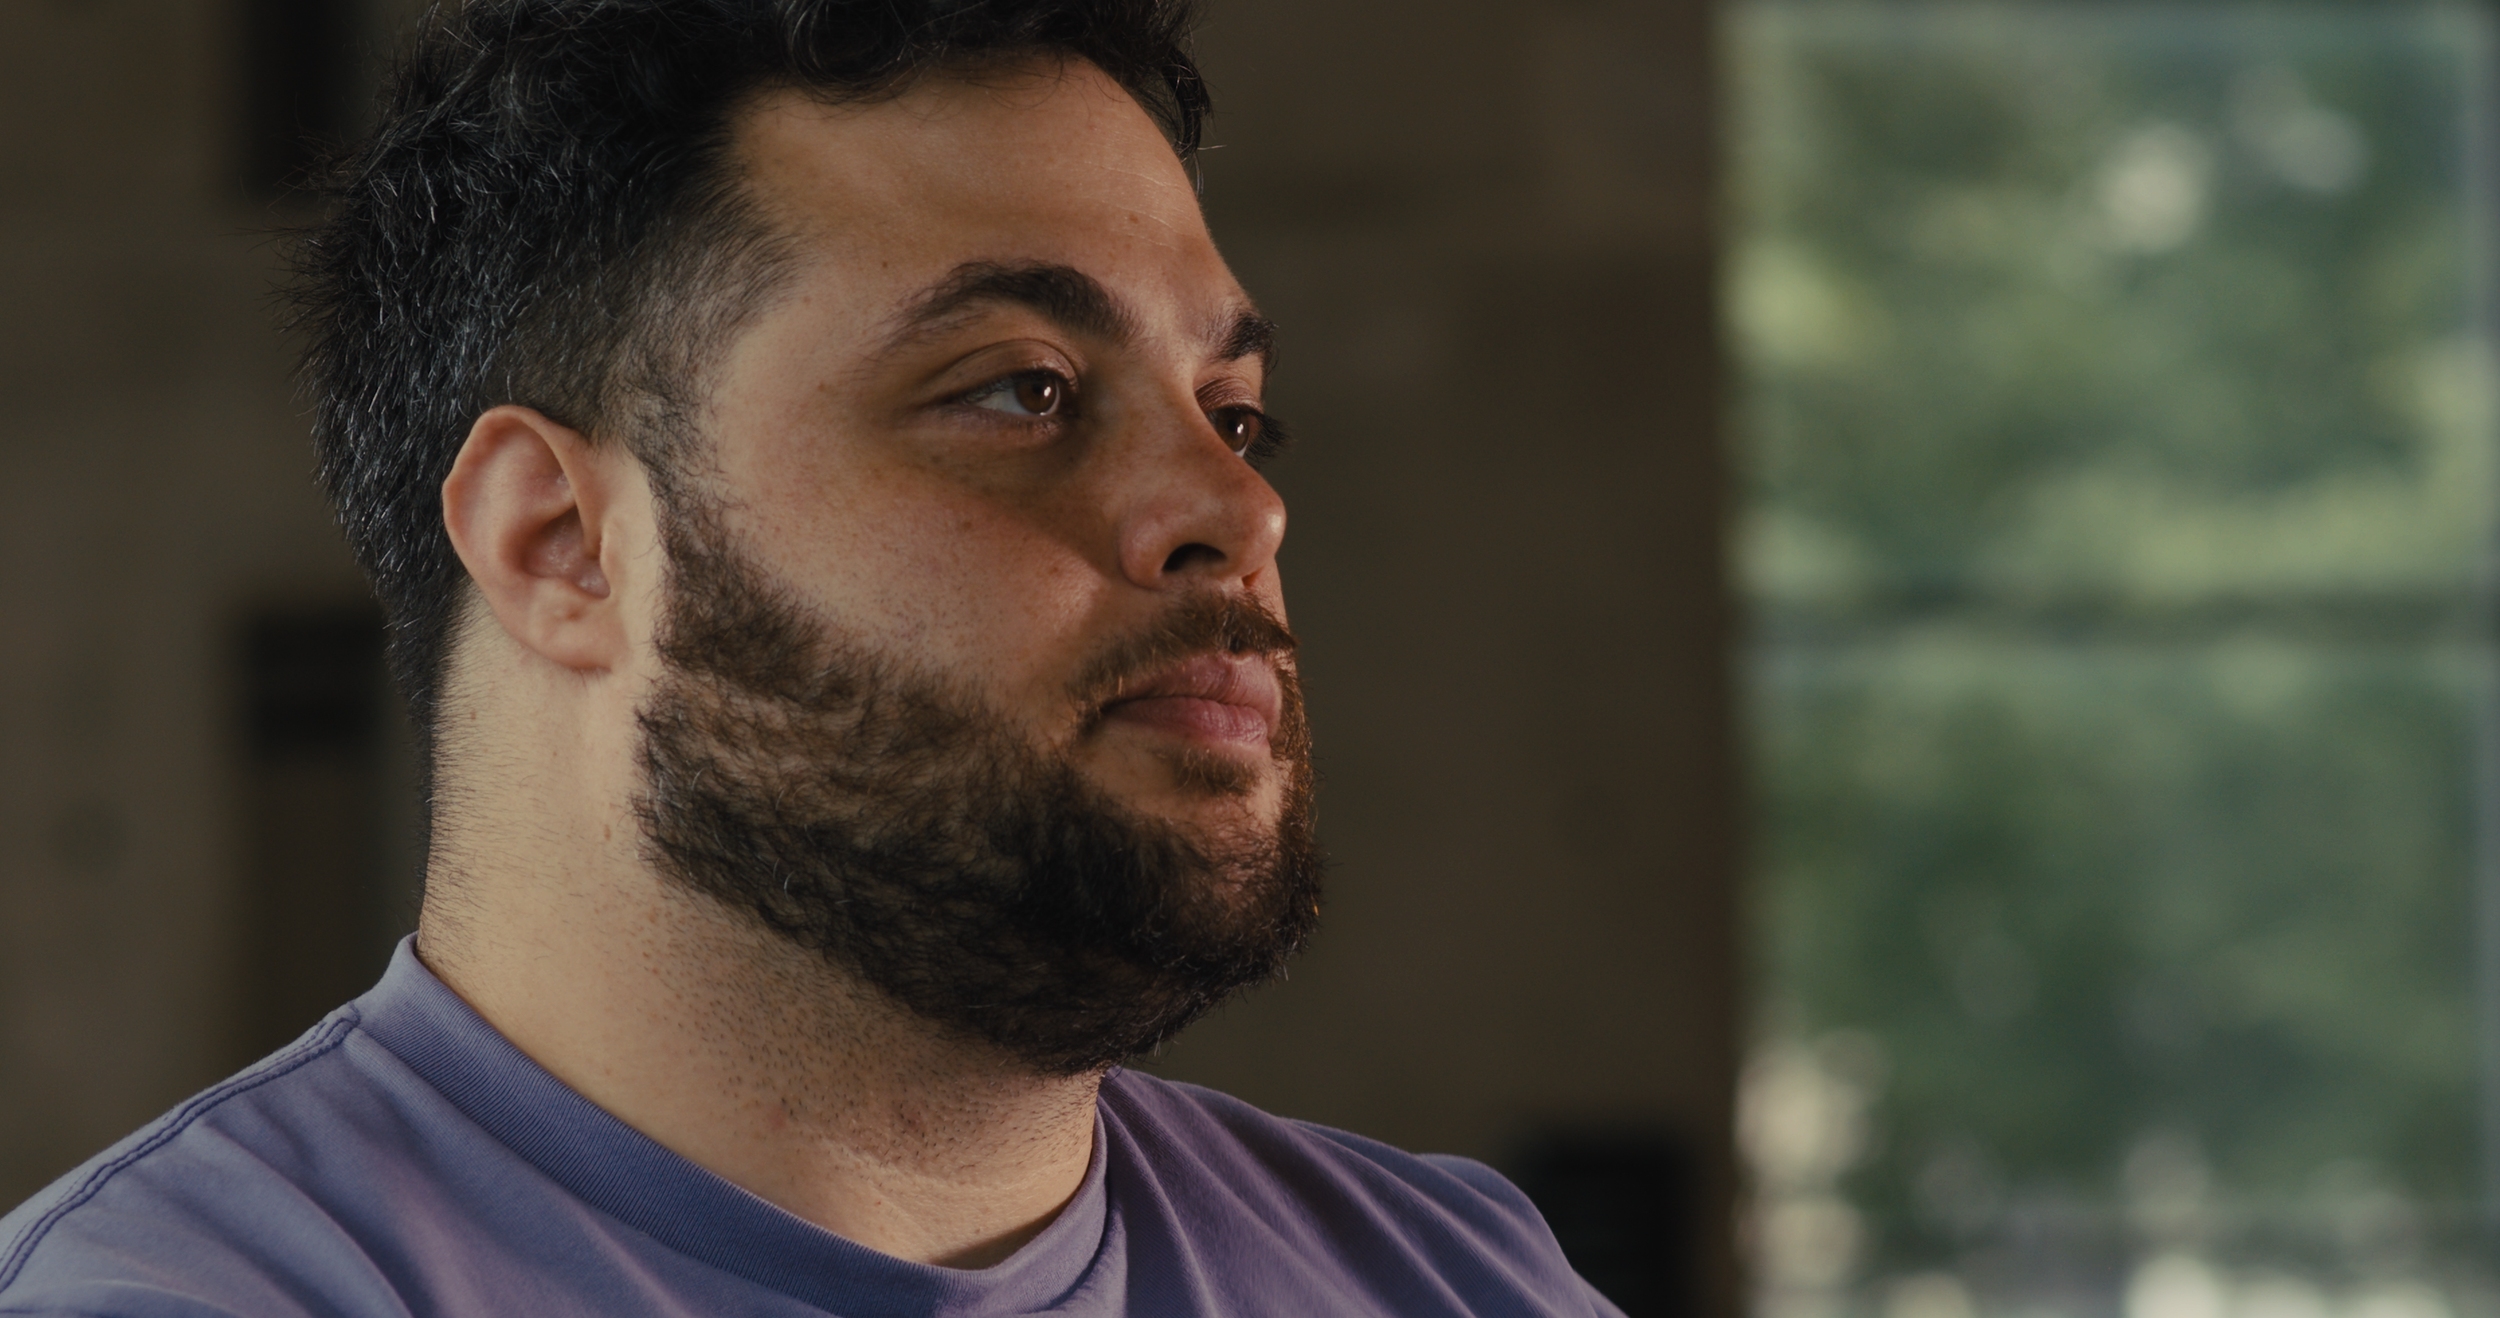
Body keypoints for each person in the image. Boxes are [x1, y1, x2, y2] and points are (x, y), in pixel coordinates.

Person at [0, 1, 1619, 1313]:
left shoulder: (1459, 1274)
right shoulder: (186, 1293)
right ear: (560, 539)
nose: (1237, 505)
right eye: (1023, 390)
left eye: (1236, 410)